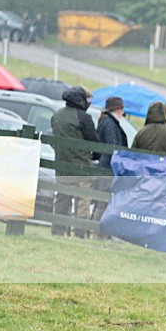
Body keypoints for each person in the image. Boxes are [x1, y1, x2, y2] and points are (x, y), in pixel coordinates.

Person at [51, 86, 99, 238]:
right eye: (87, 99)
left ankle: (58, 230)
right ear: (80, 100)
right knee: (82, 199)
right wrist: (94, 156)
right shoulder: (84, 118)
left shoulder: (57, 115)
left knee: (62, 198)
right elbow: (94, 142)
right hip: (81, 167)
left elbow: (54, 140)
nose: (88, 102)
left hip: (62, 166)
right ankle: (80, 232)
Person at [92, 96, 128, 236]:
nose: (123, 113)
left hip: (106, 167)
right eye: (121, 109)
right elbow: (112, 148)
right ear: (116, 110)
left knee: (103, 201)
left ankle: (98, 231)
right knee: (103, 201)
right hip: (108, 169)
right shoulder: (109, 124)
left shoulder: (107, 122)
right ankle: (98, 232)